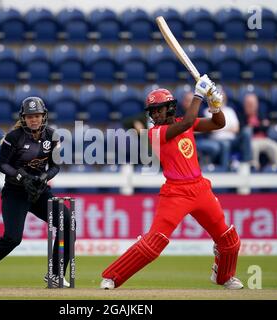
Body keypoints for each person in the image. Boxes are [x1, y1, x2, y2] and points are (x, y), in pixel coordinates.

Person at [100, 75, 244, 290]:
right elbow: (187, 122)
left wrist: (215, 106)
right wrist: (199, 95)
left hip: (200, 188)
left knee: (228, 239)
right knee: (154, 243)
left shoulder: (181, 122)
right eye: (153, 111)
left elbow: (218, 123)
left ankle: (223, 277)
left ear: (170, 108)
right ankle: (112, 277)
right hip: (176, 193)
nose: (156, 114)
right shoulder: (155, 133)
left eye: (160, 109)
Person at [0, 97, 74, 289]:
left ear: (43, 116)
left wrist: (43, 177)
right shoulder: (14, 137)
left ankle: (55, 275)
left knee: (67, 222)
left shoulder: (52, 136)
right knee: (12, 239)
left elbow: (56, 166)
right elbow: (2, 164)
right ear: (23, 118)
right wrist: (22, 177)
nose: (34, 120)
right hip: (15, 193)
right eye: (30, 117)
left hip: (38, 192)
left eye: (37, 116)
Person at [203, 88, 252, 169]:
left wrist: (219, 127)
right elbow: (211, 129)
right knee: (226, 144)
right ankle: (224, 168)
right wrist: (227, 127)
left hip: (233, 139)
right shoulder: (208, 111)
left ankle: (246, 163)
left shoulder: (230, 110)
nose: (220, 99)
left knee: (247, 132)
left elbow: (236, 129)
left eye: (222, 98)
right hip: (217, 139)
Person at [240, 93, 277, 170]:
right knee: (254, 147)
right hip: (252, 140)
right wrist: (260, 126)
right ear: (245, 105)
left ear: (256, 105)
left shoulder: (260, 115)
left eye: (252, 104)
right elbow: (245, 130)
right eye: (248, 104)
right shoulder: (242, 116)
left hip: (264, 139)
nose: (251, 106)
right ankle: (255, 169)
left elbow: (266, 127)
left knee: (276, 147)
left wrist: (254, 127)